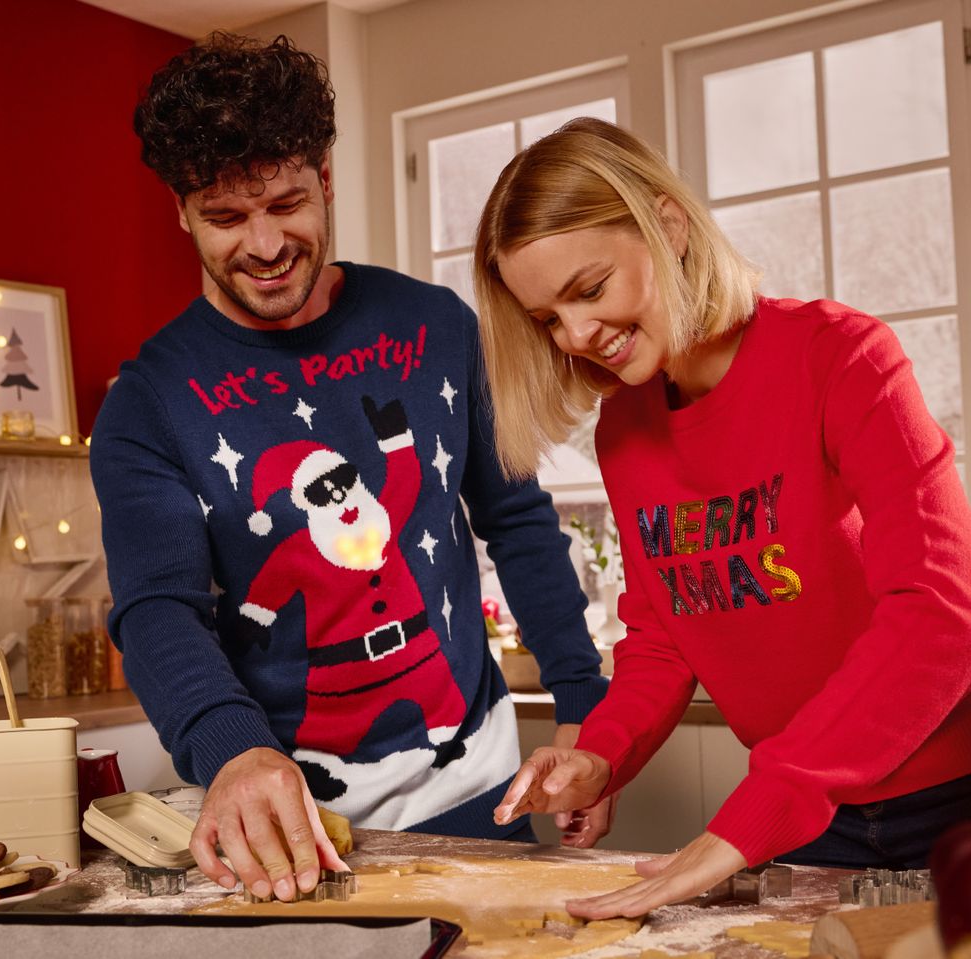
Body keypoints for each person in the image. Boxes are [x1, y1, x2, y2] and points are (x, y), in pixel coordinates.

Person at [474, 117, 971, 919]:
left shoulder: (841, 357)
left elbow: (944, 606)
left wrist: (759, 809)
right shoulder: (624, 433)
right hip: (822, 811)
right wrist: (600, 753)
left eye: (589, 290)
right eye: (548, 318)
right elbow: (664, 634)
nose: (577, 334)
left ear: (669, 227)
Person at [90, 34, 611, 905]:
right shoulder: (148, 402)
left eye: (286, 203)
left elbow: (516, 521)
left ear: (326, 178)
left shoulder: (437, 325)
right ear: (181, 211)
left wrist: (587, 702)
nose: (264, 244)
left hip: (481, 797)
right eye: (226, 217)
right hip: (293, 832)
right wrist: (232, 749)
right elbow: (157, 610)